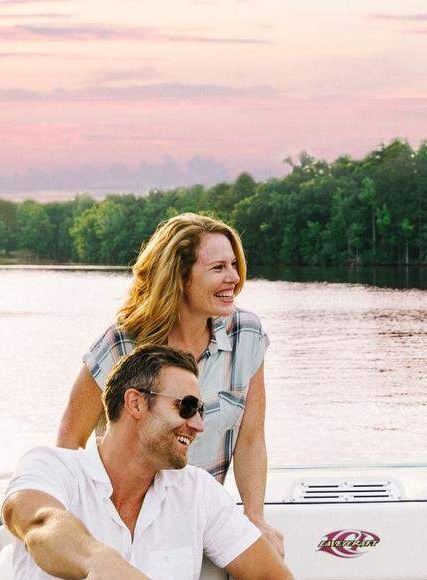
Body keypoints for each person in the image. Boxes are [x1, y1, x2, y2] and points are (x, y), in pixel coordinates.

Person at [5, 344, 319, 580]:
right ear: (136, 403)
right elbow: (39, 523)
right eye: (186, 407)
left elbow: (274, 579)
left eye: (201, 411)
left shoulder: (198, 492)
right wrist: (99, 560)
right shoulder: (52, 467)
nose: (198, 425)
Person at [56, 213, 285, 555]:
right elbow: (69, 441)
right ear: (180, 276)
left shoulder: (246, 335)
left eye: (234, 265)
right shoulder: (122, 343)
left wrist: (255, 517)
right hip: (122, 526)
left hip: (200, 521)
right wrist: (77, 529)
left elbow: (250, 439)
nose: (234, 279)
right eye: (219, 268)